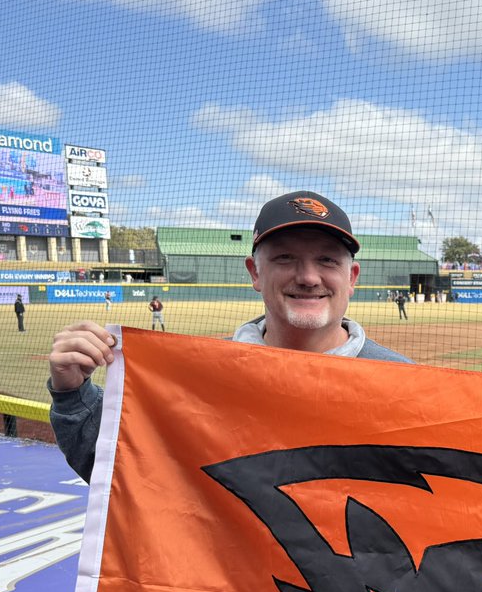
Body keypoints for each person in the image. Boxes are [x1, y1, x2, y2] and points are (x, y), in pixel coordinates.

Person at [46, 191, 411, 482]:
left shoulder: (405, 383)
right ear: (254, 272)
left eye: (328, 261)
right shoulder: (197, 378)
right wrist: (72, 395)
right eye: (285, 258)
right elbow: (128, 479)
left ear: (352, 278)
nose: (309, 277)